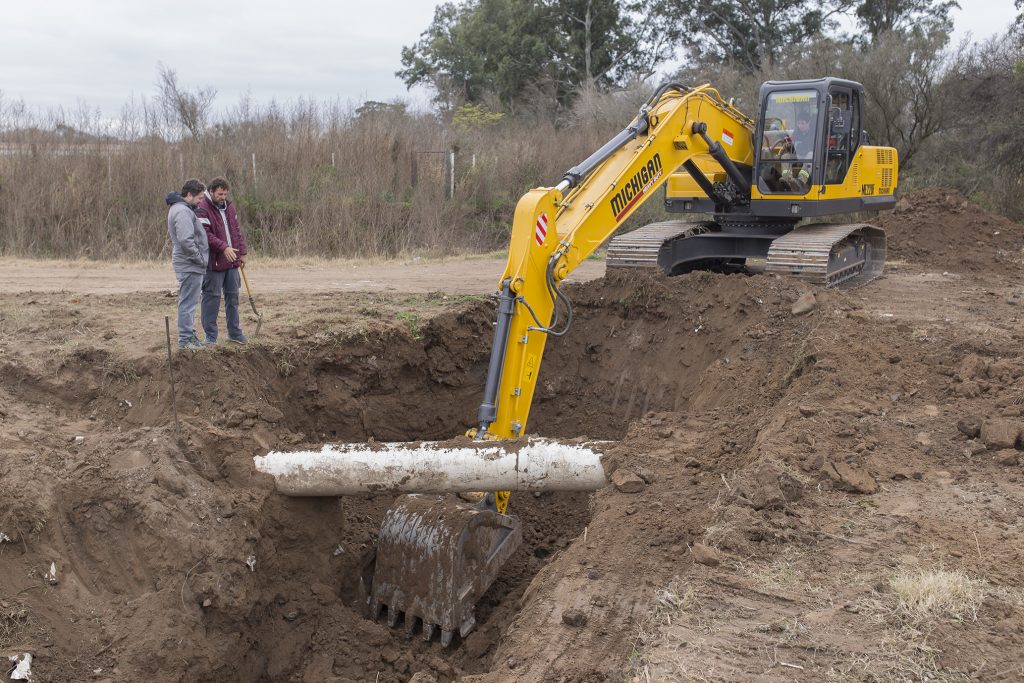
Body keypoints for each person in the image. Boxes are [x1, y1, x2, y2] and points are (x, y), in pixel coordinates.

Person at [197, 177, 248, 344]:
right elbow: (205, 235)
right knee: (211, 298)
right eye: (220, 194)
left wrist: (242, 252)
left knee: (232, 298)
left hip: (232, 262)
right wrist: (224, 247)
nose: (223, 197)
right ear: (211, 191)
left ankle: (234, 333)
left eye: (225, 194)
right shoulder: (202, 207)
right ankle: (210, 337)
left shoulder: (230, 207)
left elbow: (236, 231)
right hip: (214, 263)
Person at [166, 179, 209, 350]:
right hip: (189, 264)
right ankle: (185, 340)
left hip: (190, 264)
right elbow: (186, 240)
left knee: (190, 301)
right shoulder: (182, 211)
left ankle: (189, 336)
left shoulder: (181, 209)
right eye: (199, 198)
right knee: (188, 302)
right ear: (189, 195)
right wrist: (200, 259)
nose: (201, 202)